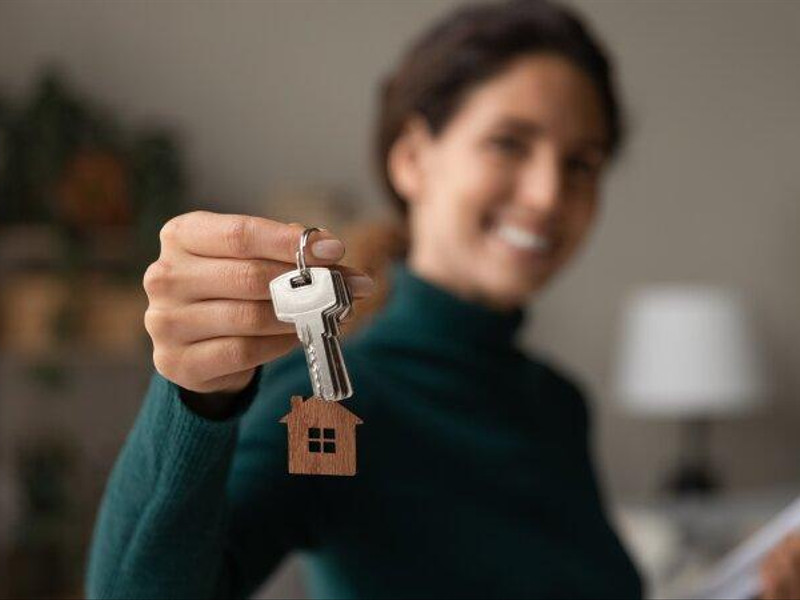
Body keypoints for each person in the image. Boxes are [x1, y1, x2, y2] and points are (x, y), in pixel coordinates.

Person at [85, 1, 800, 598]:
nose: (550, 194)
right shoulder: (333, 407)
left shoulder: (556, 404)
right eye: (509, 144)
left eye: (581, 164)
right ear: (412, 158)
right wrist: (196, 399)